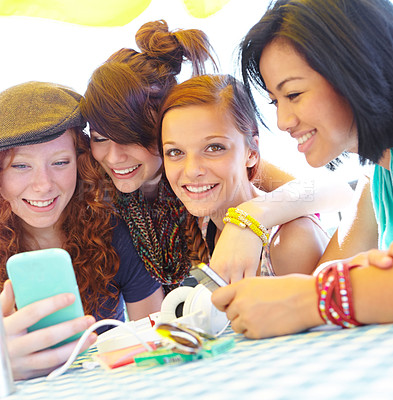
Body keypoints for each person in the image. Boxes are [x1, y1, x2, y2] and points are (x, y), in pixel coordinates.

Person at [81, 19, 352, 285]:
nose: (114, 157)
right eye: (100, 137)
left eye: (130, 139)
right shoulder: (97, 184)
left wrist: (247, 219)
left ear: (159, 130)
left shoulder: (212, 172)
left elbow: (328, 190)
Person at [211, 0, 393, 339]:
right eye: (275, 101)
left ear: (357, 68)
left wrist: (305, 301)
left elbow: (317, 290)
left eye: (293, 93)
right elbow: (328, 275)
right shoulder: (377, 179)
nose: (282, 122)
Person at [0, 81, 163, 380]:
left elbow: (155, 339)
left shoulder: (114, 229)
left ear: (81, 162)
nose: (44, 185)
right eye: (20, 166)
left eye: (60, 162)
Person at [158, 73, 329, 277]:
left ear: (252, 153)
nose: (192, 170)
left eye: (214, 148)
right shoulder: (204, 223)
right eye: (175, 152)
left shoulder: (292, 240)